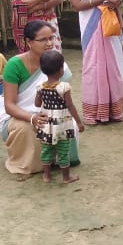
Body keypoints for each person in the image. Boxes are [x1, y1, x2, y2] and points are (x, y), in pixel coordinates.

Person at [0, 20, 80, 178]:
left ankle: (60, 159)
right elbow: (9, 106)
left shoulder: (58, 62)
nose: (49, 43)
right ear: (28, 42)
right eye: (43, 40)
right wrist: (32, 117)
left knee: (67, 123)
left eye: (51, 38)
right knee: (26, 129)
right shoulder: (14, 65)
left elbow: (60, 100)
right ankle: (32, 163)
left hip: (47, 113)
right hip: (14, 116)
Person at [63, 0, 123, 125]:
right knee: (93, 67)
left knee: (113, 66)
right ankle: (95, 112)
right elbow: (78, 5)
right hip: (90, 25)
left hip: (109, 22)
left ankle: (113, 111)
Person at [35, 50, 84, 185]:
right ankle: (66, 177)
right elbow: (70, 105)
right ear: (61, 69)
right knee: (63, 150)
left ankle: (46, 176)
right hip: (61, 123)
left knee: (46, 150)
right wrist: (79, 122)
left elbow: (37, 104)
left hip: (46, 123)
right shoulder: (64, 87)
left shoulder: (40, 87)